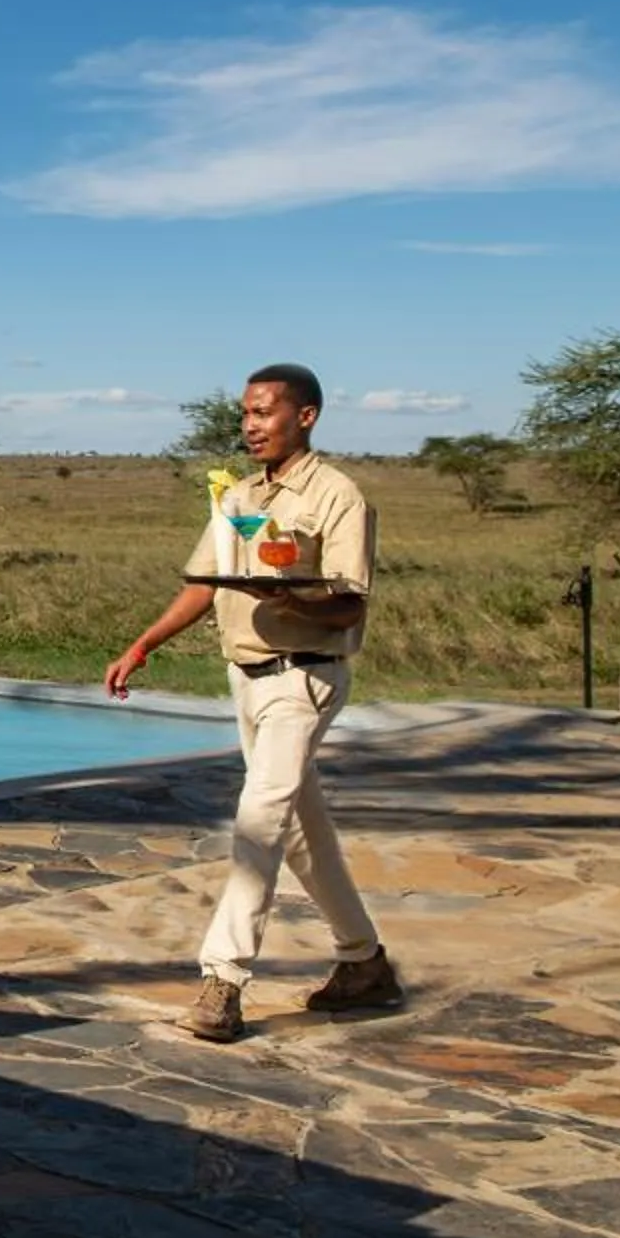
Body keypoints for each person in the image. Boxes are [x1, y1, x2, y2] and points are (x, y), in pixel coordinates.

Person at [103, 365, 402, 1043]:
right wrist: (142, 644)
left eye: (265, 412)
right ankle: (363, 960)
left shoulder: (336, 496)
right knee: (300, 828)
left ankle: (224, 979)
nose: (251, 425)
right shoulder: (239, 495)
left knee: (259, 817)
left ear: (307, 416)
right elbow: (205, 585)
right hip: (247, 678)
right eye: (244, 414)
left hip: (305, 677)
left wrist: (291, 598)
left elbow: (351, 602)